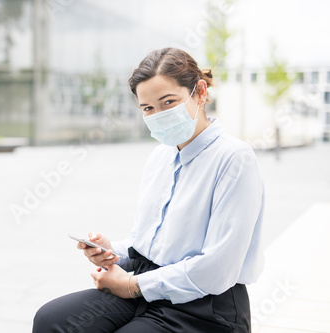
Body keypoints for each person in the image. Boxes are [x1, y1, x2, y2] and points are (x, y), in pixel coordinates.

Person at [33, 47, 264, 332]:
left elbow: (217, 268)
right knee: (51, 320)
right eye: (148, 108)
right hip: (146, 287)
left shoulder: (233, 158)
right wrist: (112, 252)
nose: (158, 115)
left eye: (168, 102)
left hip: (204, 306)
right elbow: (149, 243)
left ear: (200, 92)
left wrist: (131, 285)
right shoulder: (161, 157)